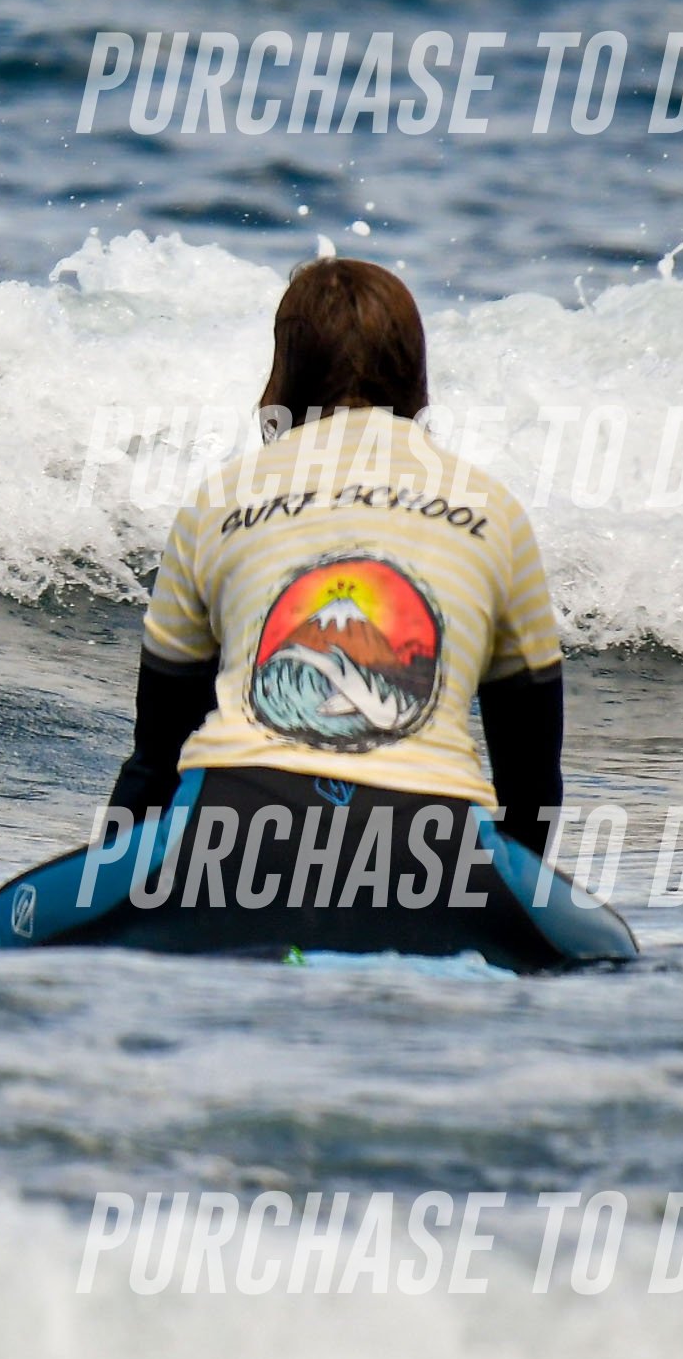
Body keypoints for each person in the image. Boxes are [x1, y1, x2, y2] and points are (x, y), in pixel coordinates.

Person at [98, 257, 570, 929]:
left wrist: (99, 909)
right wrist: (511, 921)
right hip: (430, 846)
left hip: (235, 830)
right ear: (415, 373)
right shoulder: (495, 509)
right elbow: (532, 784)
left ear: (285, 371)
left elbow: (154, 764)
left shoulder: (219, 499)